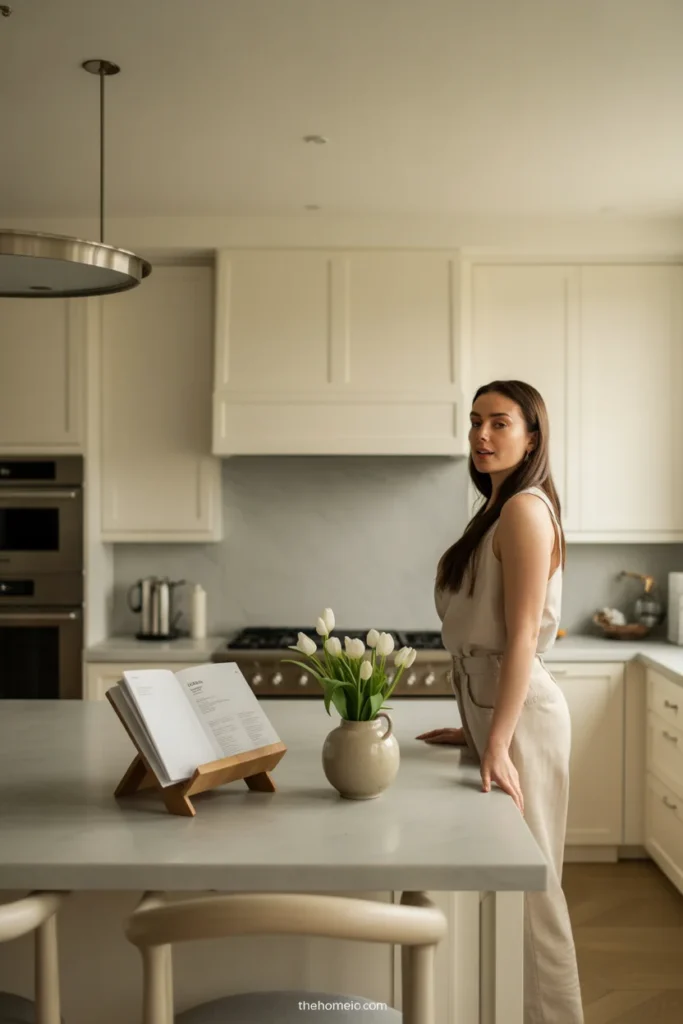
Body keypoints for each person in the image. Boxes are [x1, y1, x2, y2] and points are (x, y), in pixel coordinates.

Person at [417, 379, 584, 1024]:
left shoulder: (523, 510)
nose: (481, 436)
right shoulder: (497, 509)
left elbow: (520, 640)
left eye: (500, 424)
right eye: (474, 422)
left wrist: (497, 737)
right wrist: (475, 727)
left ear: (532, 436)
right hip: (495, 713)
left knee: (533, 891)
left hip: (524, 720)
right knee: (509, 888)